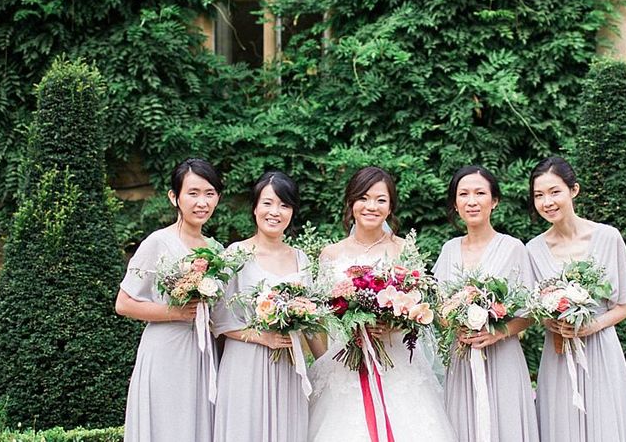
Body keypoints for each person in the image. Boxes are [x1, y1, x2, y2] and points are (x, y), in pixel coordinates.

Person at [308, 166, 457, 442]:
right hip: (346, 366)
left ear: (390, 208)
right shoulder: (331, 254)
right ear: (351, 203)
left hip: (397, 361)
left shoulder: (403, 249)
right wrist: (337, 347)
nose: (371, 206)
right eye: (363, 198)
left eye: (381, 199)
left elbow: (419, 309)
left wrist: (392, 325)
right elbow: (322, 317)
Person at [525, 156, 626, 442]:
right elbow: (532, 309)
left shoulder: (608, 237)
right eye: (539, 195)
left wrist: (591, 325)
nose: (547, 202)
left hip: (600, 349)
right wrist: (550, 320)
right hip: (559, 353)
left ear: (573, 190)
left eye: (554, 192)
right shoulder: (533, 250)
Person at [116, 157, 224, 442]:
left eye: (209, 194)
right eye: (193, 193)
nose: (202, 202)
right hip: (166, 351)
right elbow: (124, 303)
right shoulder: (157, 243)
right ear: (174, 197)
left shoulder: (217, 250)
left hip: (204, 353)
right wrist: (175, 312)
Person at [433, 165, 539, 442]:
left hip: (502, 356)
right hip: (462, 357)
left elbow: (530, 312)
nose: (471, 201)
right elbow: (439, 310)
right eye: (463, 194)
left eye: (480, 193)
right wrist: (455, 323)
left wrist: (497, 332)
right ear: (455, 204)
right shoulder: (448, 250)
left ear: (494, 201)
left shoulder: (514, 248)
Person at [212, 170, 318, 442]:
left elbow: (313, 322)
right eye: (268, 203)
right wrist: (264, 337)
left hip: (288, 365)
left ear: (292, 212)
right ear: (255, 207)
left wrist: (328, 365)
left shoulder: (301, 258)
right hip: (246, 363)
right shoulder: (236, 254)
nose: (275, 212)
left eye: (284, 205)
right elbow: (219, 321)